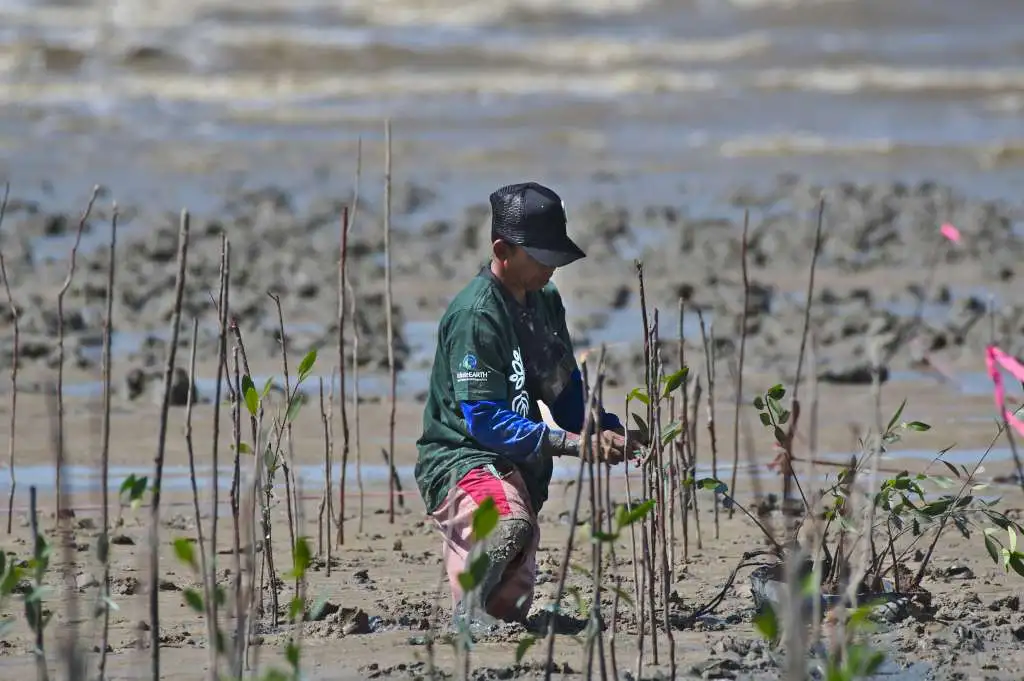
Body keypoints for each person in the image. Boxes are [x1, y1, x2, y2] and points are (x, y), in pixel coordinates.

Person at [413, 181, 639, 632]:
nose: (551, 270)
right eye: (541, 258)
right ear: (502, 249)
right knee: (509, 524)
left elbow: (564, 389)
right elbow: (486, 421)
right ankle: (465, 613)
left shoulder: (545, 302)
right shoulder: (476, 315)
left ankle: (482, 606)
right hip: (463, 458)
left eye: (556, 257)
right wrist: (573, 445)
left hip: (519, 466)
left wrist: (607, 429)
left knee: (508, 614)